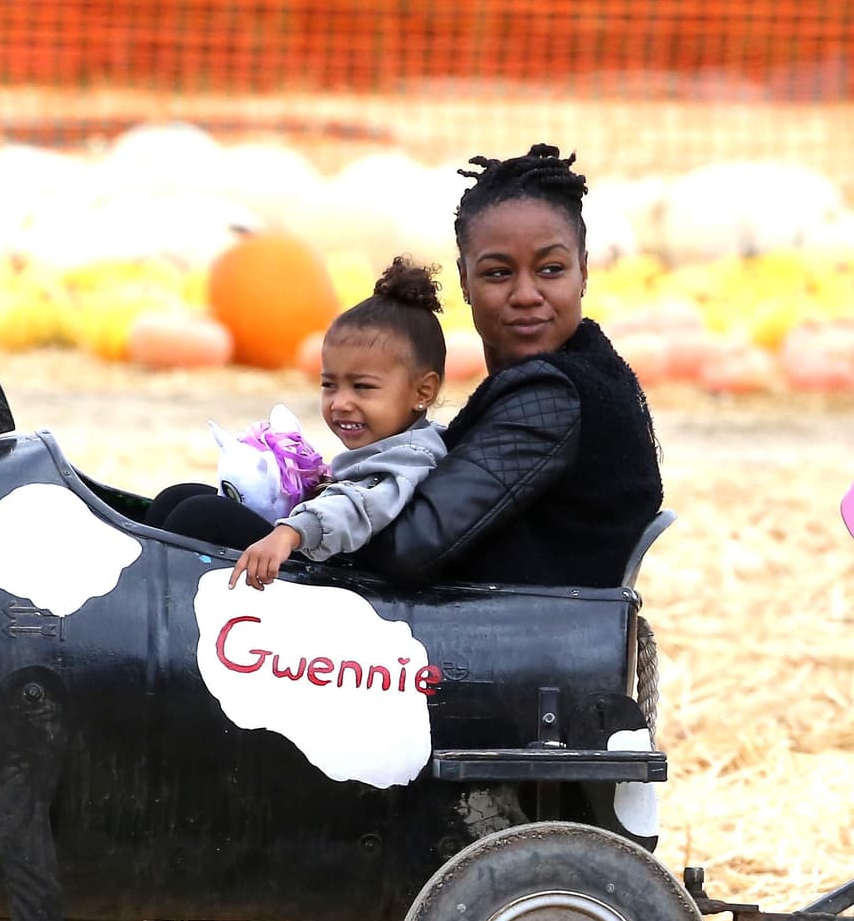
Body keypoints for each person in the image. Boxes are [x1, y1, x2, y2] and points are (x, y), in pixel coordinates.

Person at [346, 144, 663, 588]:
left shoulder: (554, 397)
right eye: (498, 273)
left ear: (584, 272)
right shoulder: (584, 368)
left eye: (551, 269)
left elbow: (407, 547)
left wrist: (310, 523)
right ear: (464, 281)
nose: (526, 294)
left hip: (524, 646)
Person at [146, 258, 449, 587]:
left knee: (201, 517)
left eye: (362, 387)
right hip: (322, 550)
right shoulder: (392, 444)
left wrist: (292, 531)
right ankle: (145, 583)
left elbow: (360, 507)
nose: (340, 402)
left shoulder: (414, 456)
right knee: (177, 498)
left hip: (348, 584)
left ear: (423, 390)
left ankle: (159, 601)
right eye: (329, 385)